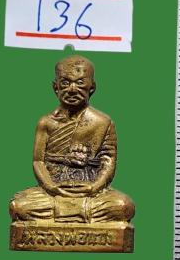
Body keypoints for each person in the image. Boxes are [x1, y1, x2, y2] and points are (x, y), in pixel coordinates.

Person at [9, 55, 135, 224]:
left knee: (123, 206)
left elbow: (108, 161)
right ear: (56, 87)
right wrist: (51, 187)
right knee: (19, 207)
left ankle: (73, 213)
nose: (72, 89)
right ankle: (77, 215)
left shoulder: (103, 122)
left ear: (92, 87)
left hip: (90, 192)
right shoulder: (46, 122)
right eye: (65, 83)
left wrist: (94, 187)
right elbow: (38, 161)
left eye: (80, 82)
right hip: (54, 192)